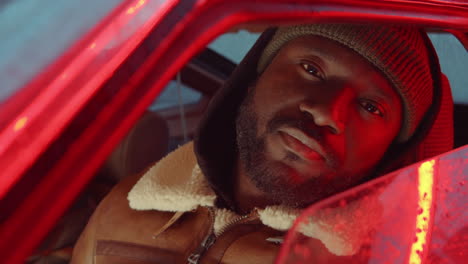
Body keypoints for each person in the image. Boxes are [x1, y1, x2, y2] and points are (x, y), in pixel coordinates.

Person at [71, 23, 453, 263]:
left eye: (370, 106)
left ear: (389, 153)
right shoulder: (126, 203)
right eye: (311, 69)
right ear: (253, 78)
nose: (325, 112)